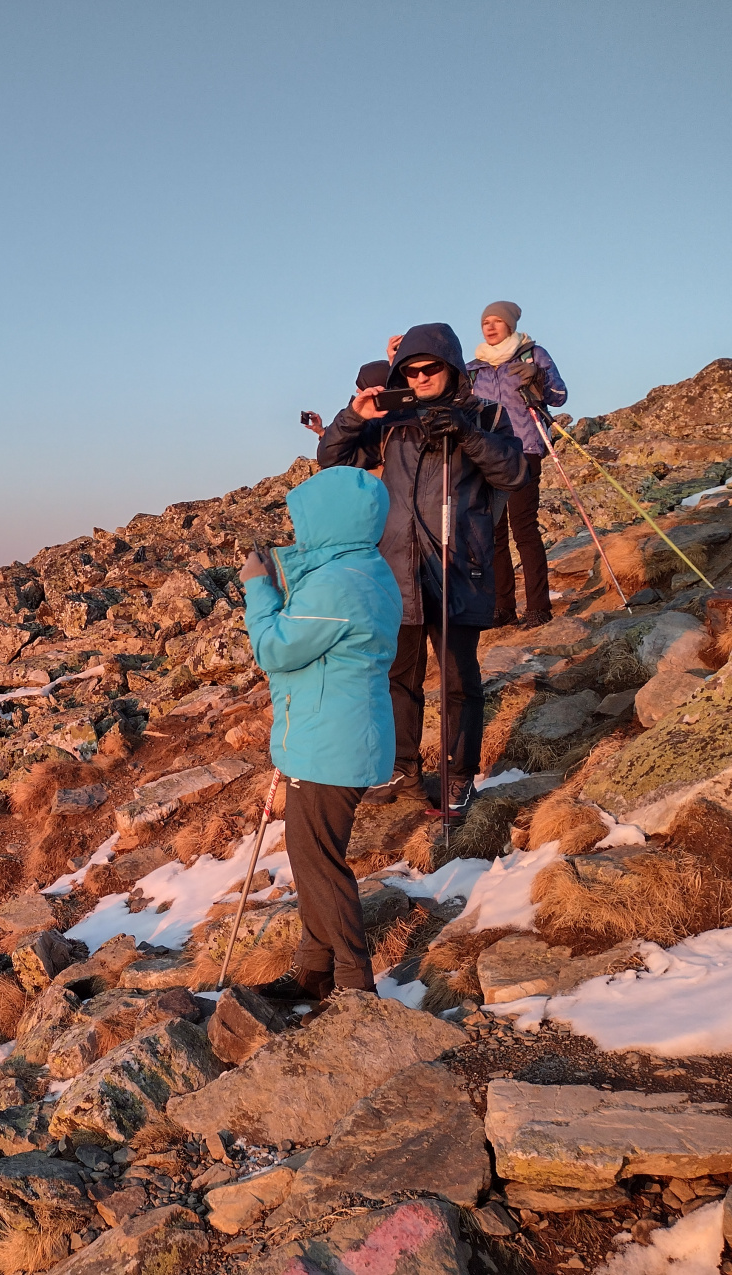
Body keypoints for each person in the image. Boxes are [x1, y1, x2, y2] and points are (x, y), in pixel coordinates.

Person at [317, 324, 527, 814]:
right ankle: (402, 771)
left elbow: (514, 473)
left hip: (458, 567)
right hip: (397, 574)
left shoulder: (486, 414)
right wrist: (354, 415)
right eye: (409, 371)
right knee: (398, 678)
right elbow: (331, 459)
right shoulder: (392, 423)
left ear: (451, 365)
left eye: (428, 368)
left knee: (458, 680)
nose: (419, 377)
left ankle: (459, 775)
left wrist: (468, 434)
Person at [238, 465, 402, 999]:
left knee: (320, 866)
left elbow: (274, 649)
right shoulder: (360, 570)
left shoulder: (339, 584)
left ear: (329, 520)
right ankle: (314, 971)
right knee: (311, 862)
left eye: (303, 519)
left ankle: (355, 986)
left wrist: (258, 588)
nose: (296, 528)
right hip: (333, 739)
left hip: (330, 747)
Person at [466, 301, 568, 628]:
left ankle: (538, 607)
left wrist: (537, 376)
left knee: (523, 529)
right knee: (493, 534)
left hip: (525, 450)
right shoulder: (472, 369)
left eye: (497, 321)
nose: (491, 327)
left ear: (510, 324)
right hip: (489, 457)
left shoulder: (532, 354)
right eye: (486, 322)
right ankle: (502, 608)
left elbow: (559, 395)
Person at [301, 360, 390, 441]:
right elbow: (343, 449)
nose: (357, 390)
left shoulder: (381, 426)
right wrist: (321, 431)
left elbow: (354, 452)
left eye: (362, 386)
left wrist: (354, 417)